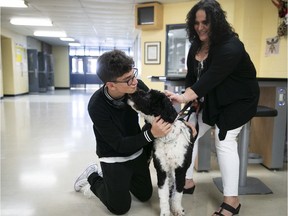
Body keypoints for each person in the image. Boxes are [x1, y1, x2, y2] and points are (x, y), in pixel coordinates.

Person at [165, 0, 260, 215]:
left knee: (224, 140)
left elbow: (209, 80)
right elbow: (192, 79)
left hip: (239, 101)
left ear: (216, 22)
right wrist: (192, 100)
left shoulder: (231, 47)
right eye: (196, 23)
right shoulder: (196, 47)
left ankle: (232, 201)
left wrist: (182, 98)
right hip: (213, 100)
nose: (200, 27)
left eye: (205, 22)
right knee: (189, 132)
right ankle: (186, 182)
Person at [74, 50, 172, 215]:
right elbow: (119, 145)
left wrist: (170, 105)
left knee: (145, 195)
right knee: (120, 208)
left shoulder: (136, 85)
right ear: (111, 85)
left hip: (136, 149)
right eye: (128, 80)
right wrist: (151, 134)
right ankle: (92, 176)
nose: (134, 82)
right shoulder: (97, 105)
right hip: (113, 154)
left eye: (133, 74)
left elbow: (154, 109)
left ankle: (123, 180)